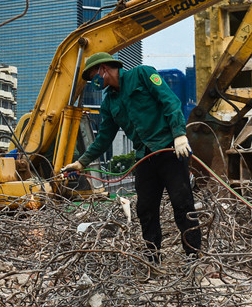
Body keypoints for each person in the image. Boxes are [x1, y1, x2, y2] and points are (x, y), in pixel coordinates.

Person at [62, 52, 202, 262]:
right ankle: (153, 259)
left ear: (103, 69)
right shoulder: (109, 102)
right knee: (145, 210)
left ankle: (194, 257)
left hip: (169, 151)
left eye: (93, 76)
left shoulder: (142, 75)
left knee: (182, 205)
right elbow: (104, 138)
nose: (93, 82)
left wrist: (179, 134)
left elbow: (169, 101)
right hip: (144, 159)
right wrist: (81, 162)